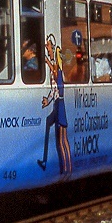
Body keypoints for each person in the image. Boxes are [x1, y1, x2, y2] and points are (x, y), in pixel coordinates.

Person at [39, 36, 72, 177]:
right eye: (46, 46)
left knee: (62, 139)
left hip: (60, 105)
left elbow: (55, 74)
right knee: (59, 136)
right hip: (57, 103)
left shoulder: (57, 64)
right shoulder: (54, 64)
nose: (47, 48)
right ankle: (48, 161)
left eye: (48, 46)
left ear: (53, 46)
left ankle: (67, 169)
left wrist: (45, 60)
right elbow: (54, 90)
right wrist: (47, 100)